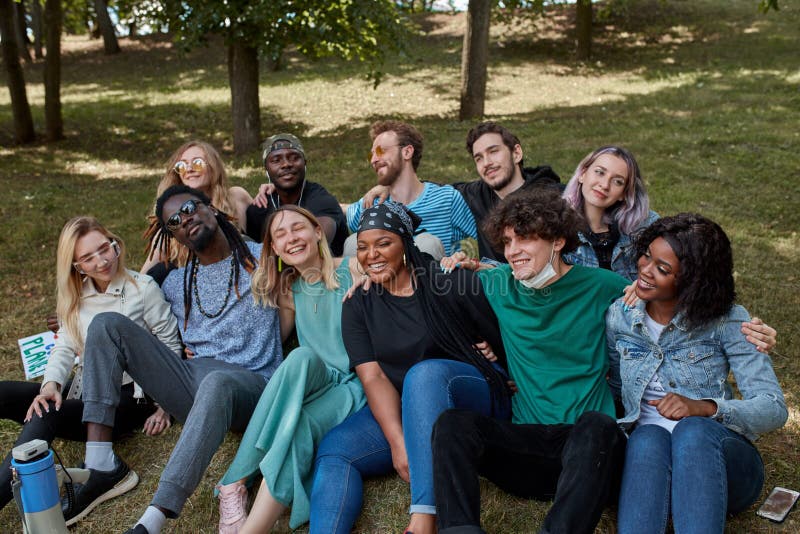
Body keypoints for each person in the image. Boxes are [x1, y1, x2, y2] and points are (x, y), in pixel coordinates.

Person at [63, 185, 283, 534]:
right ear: (173, 235)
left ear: (211, 207)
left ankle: (153, 518)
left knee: (217, 381)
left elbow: (316, 262)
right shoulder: (174, 282)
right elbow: (127, 295)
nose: (186, 219)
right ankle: (100, 461)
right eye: (175, 221)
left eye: (191, 207)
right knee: (107, 325)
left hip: (253, 386)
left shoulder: (265, 258)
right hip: (191, 382)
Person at [432, 188, 630, 534]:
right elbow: (422, 291)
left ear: (557, 241)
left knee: (600, 425)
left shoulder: (603, 285)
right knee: (452, 424)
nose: (512, 252)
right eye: (507, 242)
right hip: (528, 445)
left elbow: (662, 301)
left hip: (589, 451)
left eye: (523, 240)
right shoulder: (496, 284)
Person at [310, 201, 511, 534]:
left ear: (405, 242)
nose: (371, 254)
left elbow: (503, 334)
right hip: (409, 407)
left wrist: (504, 365)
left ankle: (424, 518)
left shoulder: (448, 282)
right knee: (336, 450)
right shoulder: (358, 303)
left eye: (383, 243)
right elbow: (372, 376)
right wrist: (398, 441)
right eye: (362, 247)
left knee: (425, 374)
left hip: (472, 394)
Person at [607, 213, 788, 534]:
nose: (645, 270)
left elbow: (773, 408)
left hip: (722, 464)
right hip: (652, 460)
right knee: (647, 437)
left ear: (692, 279)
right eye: (646, 256)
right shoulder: (621, 316)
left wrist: (704, 407)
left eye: (663, 269)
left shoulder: (726, 320)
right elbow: (616, 386)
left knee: (693, 430)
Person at [0, 217, 180, 512]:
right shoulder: (76, 294)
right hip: (85, 388)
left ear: (114, 244)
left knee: (46, 416)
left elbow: (170, 346)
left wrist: (165, 406)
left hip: (129, 398)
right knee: (7, 395)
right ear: (76, 266)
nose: (101, 261)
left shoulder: (143, 288)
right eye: (88, 257)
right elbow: (64, 345)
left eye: (104, 248)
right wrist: (50, 385)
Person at [214, 206, 365, 533]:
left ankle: (250, 523)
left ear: (317, 233)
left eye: (298, 228)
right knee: (298, 357)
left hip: (356, 385)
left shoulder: (354, 268)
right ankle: (234, 483)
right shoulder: (289, 289)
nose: (291, 238)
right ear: (275, 249)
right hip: (318, 379)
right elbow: (271, 346)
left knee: (297, 430)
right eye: (279, 235)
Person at [343, 120, 477, 259]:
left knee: (426, 244)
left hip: (431, 278)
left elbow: (487, 237)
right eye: (372, 155)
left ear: (407, 152)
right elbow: (337, 209)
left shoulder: (446, 199)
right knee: (353, 244)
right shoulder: (373, 203)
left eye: (380, 151)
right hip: (378, 278)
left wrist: (476, 265)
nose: (373, 160)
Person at [141, 140, 253, 274]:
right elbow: (144, 279)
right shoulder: (173, 223)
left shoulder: (236, 198)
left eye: (197, 163)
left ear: (213, 166)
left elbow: (271, 234)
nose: (189, 169)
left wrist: (270, 190)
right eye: (181, 165)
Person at [561, 145, 658, 281]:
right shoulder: (556, 225)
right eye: (600, 172)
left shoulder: (644, 224)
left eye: (617, 181)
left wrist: (644, 285)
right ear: (582, 174)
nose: (605, 185)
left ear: (624, 194)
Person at [246, 134, 349, 255]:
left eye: (294, 158)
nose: (286, 164)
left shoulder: (321, 200)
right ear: (266, 169)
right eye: (276, 160)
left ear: (305, 164)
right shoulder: (260, 208)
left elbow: (317, 244)